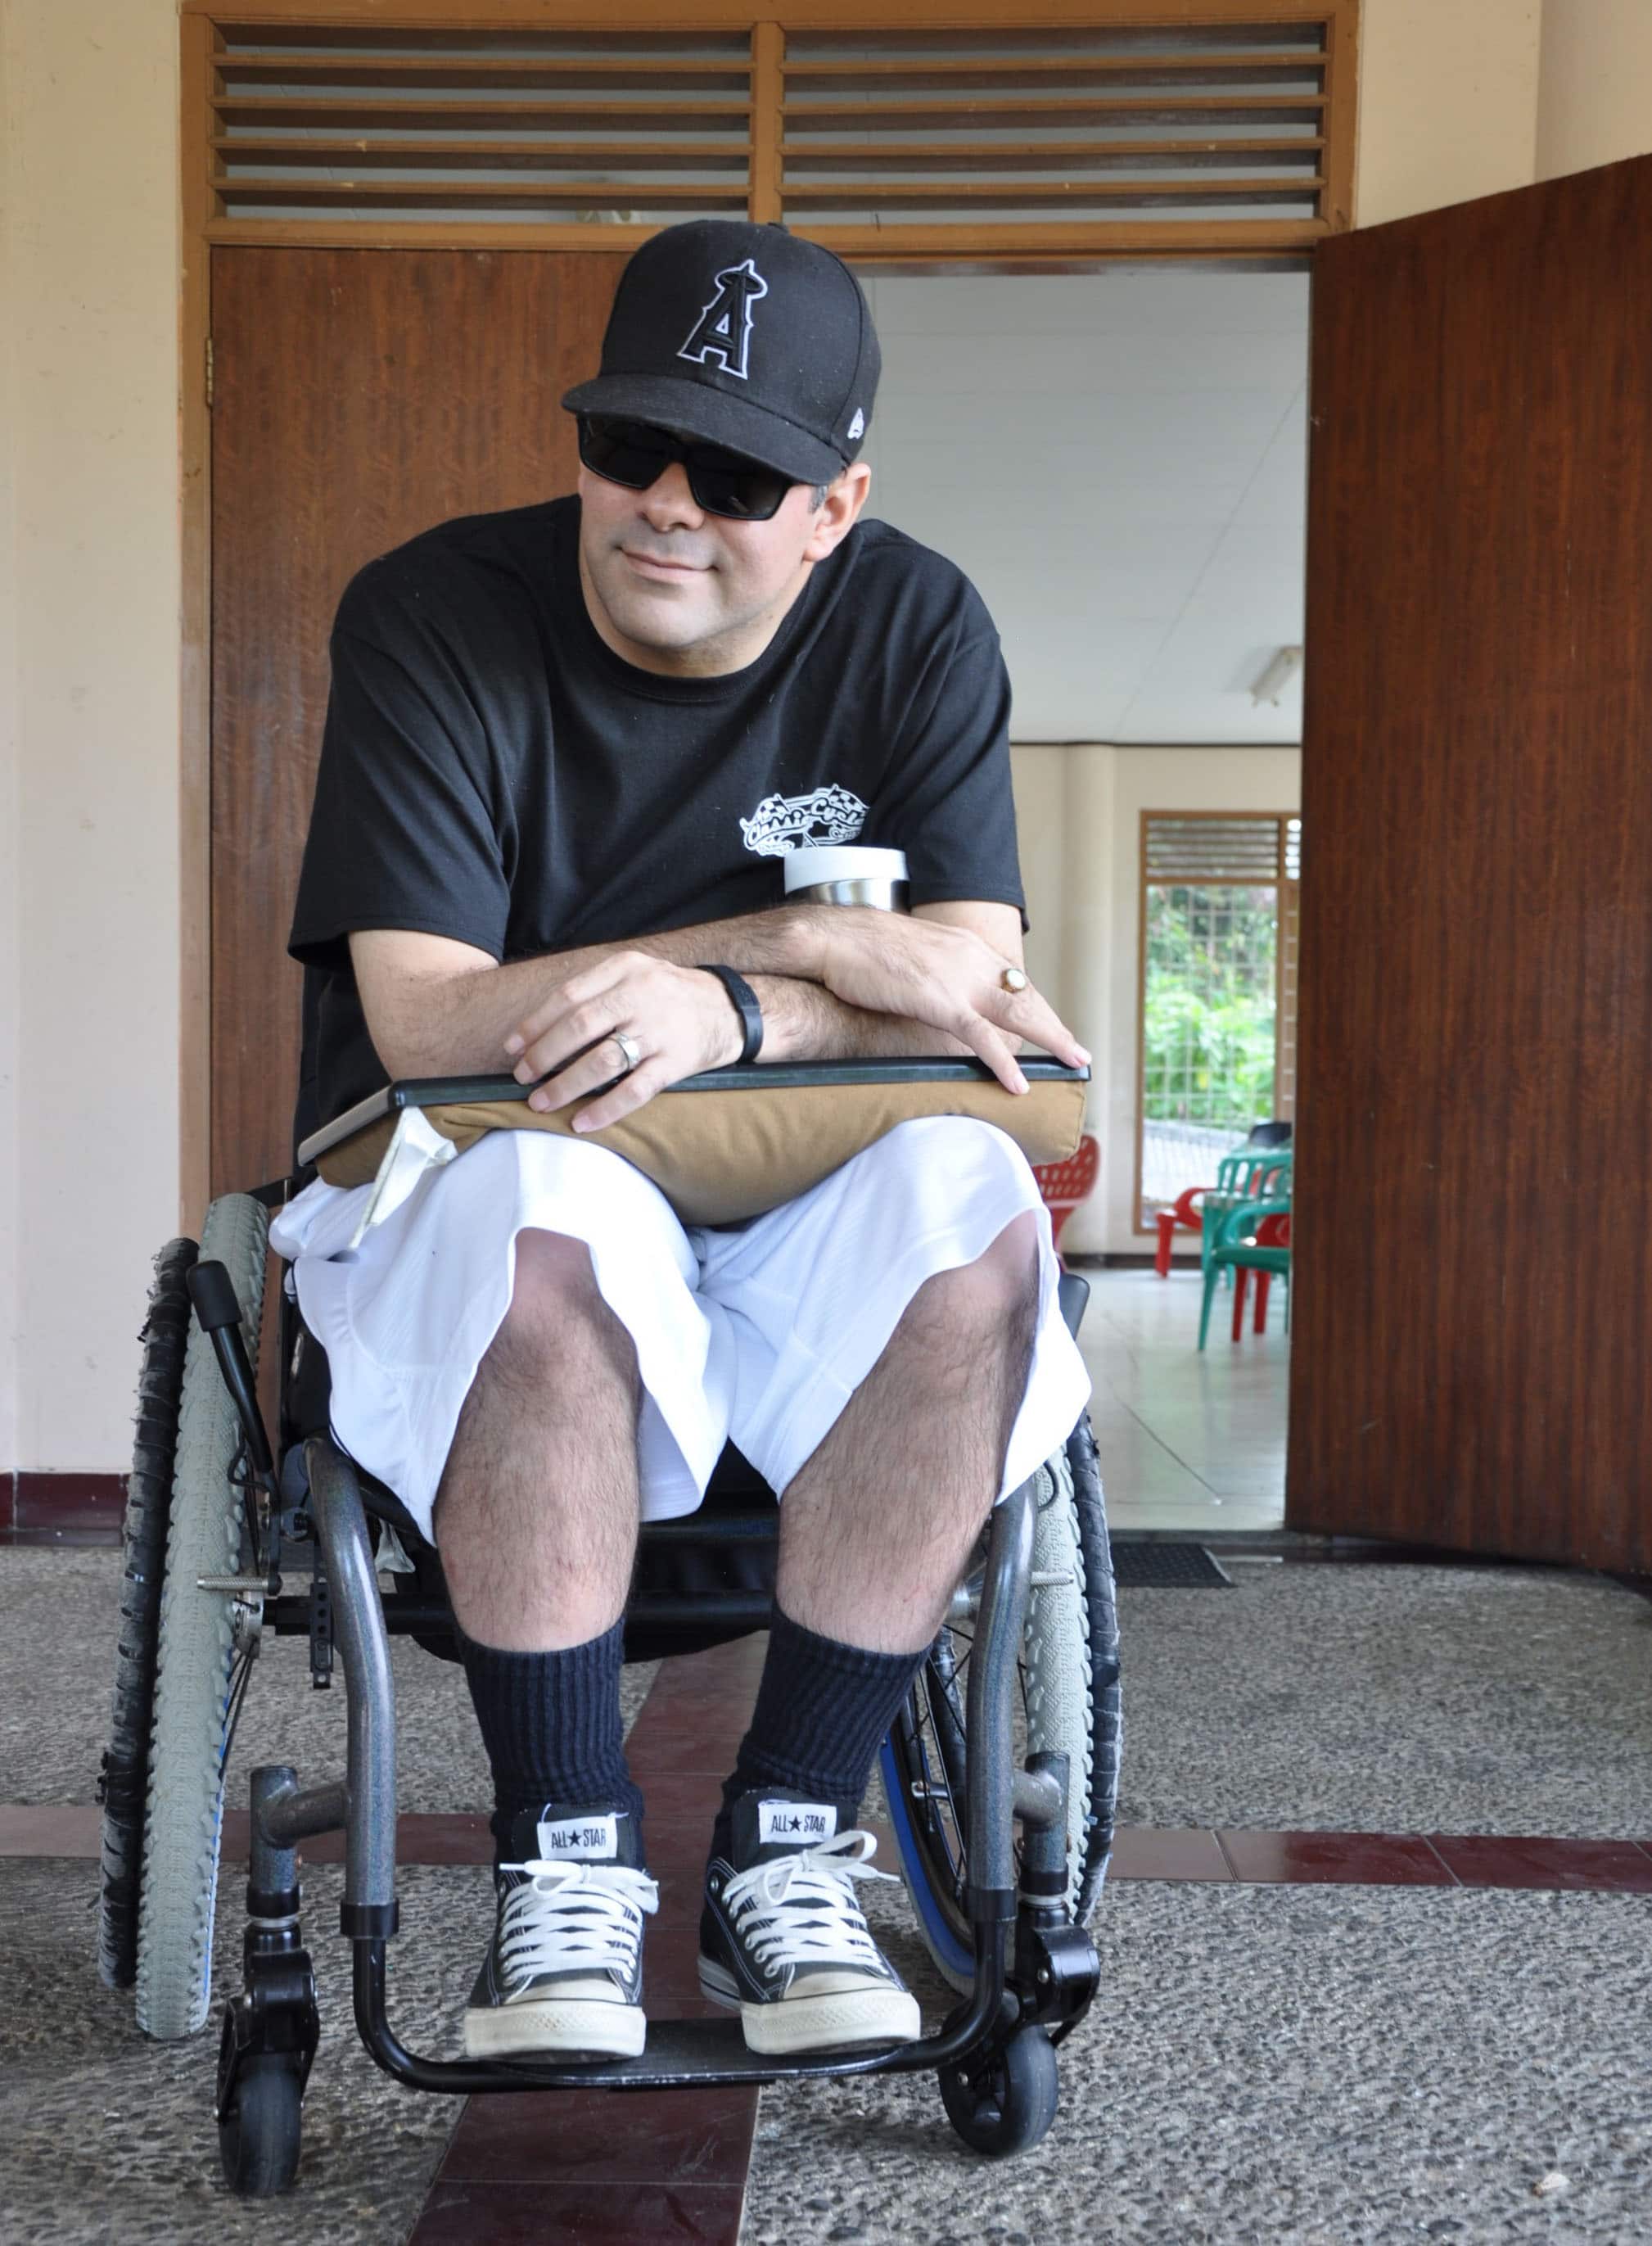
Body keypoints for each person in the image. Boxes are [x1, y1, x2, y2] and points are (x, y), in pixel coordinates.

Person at [270, 219, 1092, 2066]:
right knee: (548, 1212)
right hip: (480, 1177)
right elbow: (424, 1012)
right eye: (625, 446)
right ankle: (565, 1856)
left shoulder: (914, 620)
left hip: (794, 1186)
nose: (663, 505)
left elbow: (971, 985)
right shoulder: (434, 612)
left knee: (973, 1214)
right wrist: (786, 939)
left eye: (735, 475)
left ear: (834, 500)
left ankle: (791, 1834)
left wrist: (737, 1017)